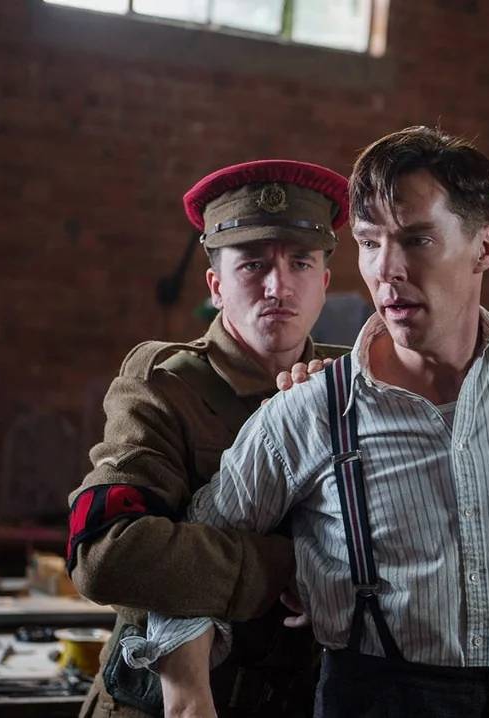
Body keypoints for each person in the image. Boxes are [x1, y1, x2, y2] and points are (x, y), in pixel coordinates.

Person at [125, 126, 489, 717]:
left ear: (485, 248)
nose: (387, 269)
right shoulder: (309, 412)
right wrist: (188, 692)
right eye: (370, 242)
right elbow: (196, 550)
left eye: (418, 239)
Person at [66, 159, 351, 717]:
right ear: (216, 287)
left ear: (324, 282)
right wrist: (290, 566)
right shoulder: (165, 385)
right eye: (252, 266)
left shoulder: (355, 385)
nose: (278, 286)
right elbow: (106, 553)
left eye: (300, 263)